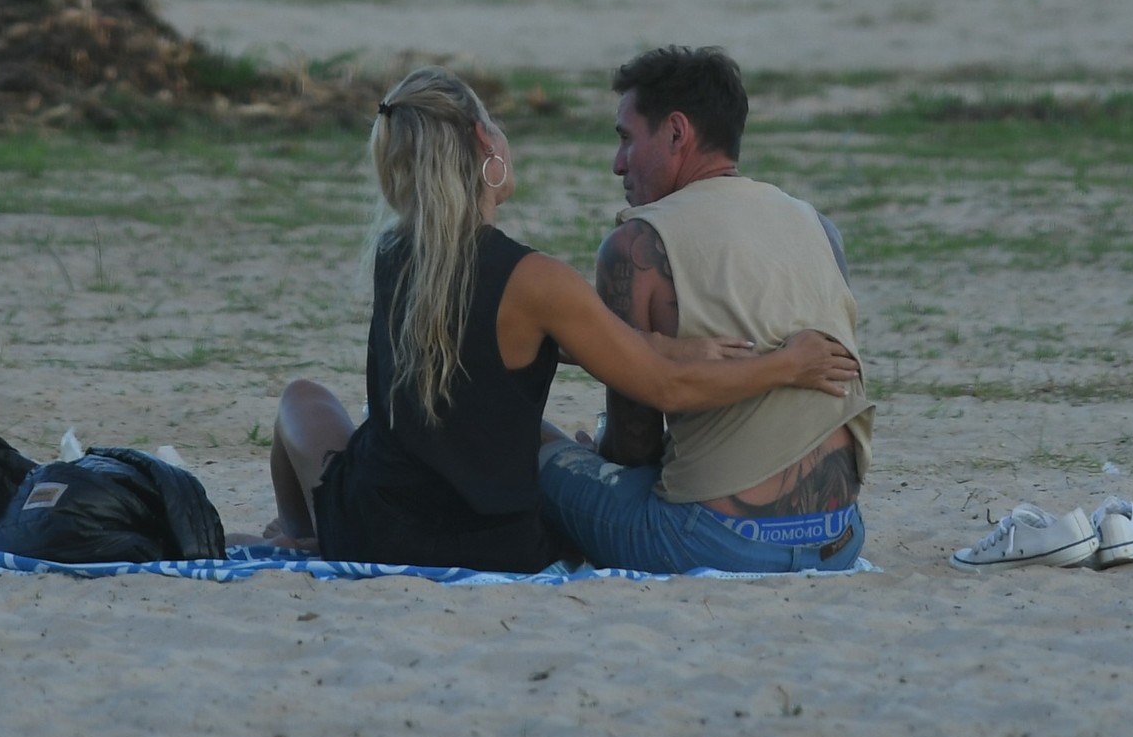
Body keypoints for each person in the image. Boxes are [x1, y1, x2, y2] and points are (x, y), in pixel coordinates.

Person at [268, 65, 861, 572]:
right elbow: (652, 379)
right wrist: (788, 363)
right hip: (499, 544)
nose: (616, 162)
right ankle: (307, 536)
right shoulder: (537, 281)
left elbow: (602, 354)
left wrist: (670, 349)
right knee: (537, 440)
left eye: (626, 138)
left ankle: (301, 536)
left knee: (303, 399)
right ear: (485, 142)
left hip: (378, 528)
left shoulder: (395, 255)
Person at [538, 45, 874, 575]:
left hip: (715, 541)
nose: (617, 163)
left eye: (626, 138)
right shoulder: (818, 227)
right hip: (840, 538)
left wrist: (597, 452)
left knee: (536, 450)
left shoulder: (638, 246)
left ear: (676, 132)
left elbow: (634, 446)